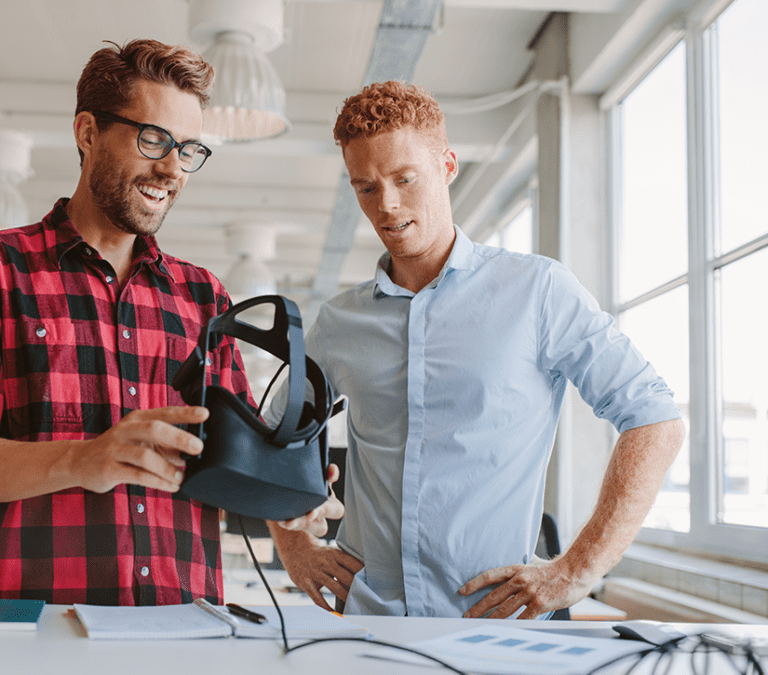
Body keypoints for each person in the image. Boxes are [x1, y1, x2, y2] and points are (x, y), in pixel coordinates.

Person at [267, 80, 685, 619]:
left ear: (448, 166)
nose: (387, 205)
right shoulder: (340, 322)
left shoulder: (537, 291)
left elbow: (655, 419)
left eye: (405, 178)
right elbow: (273, 439)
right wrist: (295, 549)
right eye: (365, 187)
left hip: (493, 624)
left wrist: (577, 569)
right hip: (369, 622)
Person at [0, 39, 273, 606]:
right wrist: (82, 458)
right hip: (29, 631)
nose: (172, 168)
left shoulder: (204, 297)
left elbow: (226, 459)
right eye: (154, 139)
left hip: (181, 628)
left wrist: (289, 491)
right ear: (87, 132)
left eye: (190, 150)